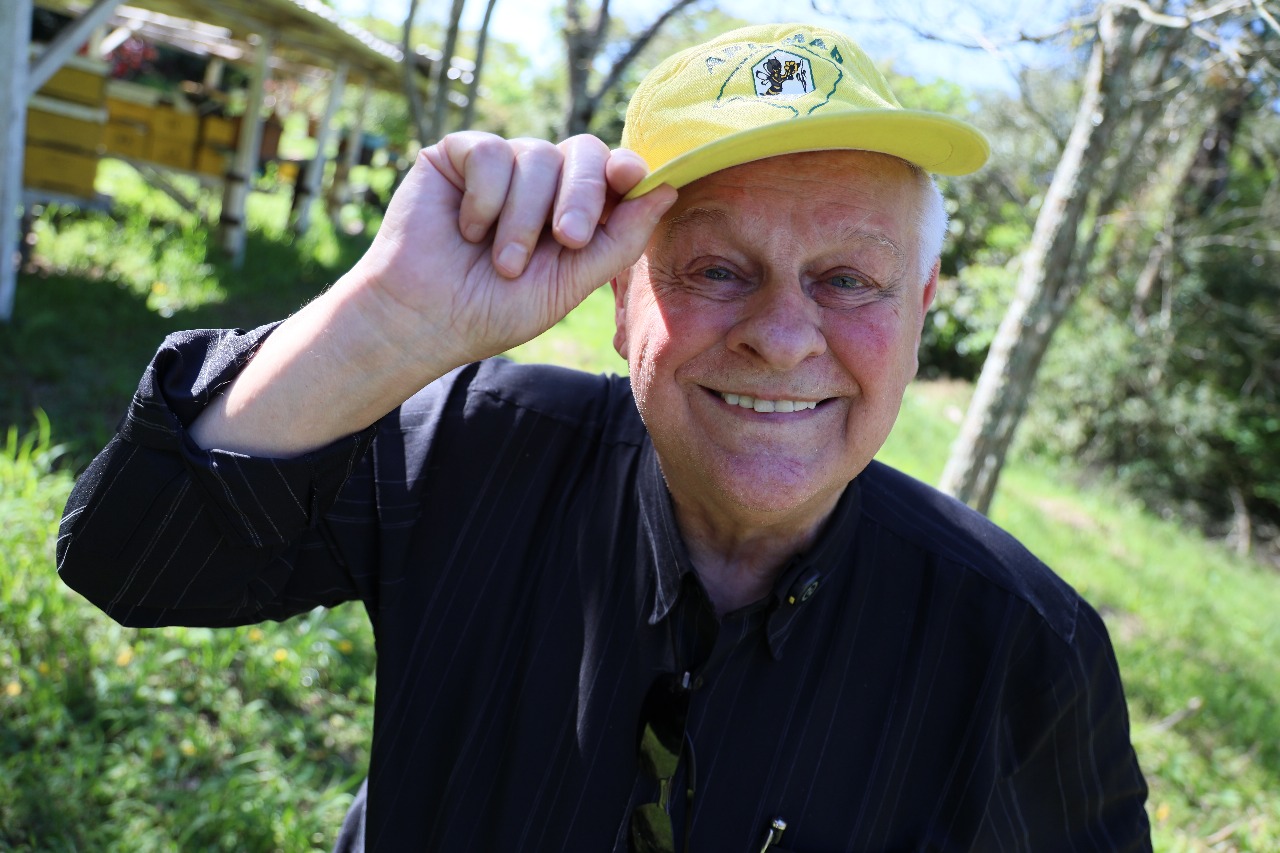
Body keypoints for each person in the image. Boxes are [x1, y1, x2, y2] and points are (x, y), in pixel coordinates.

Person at [57, 22, 1151, 852]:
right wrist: (383, 321)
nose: (780, 336)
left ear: (918, 306)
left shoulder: (1023, 648)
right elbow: (132, 556)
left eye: (847, 279)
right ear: (620, 294)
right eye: (716, 269)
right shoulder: (468, 450)